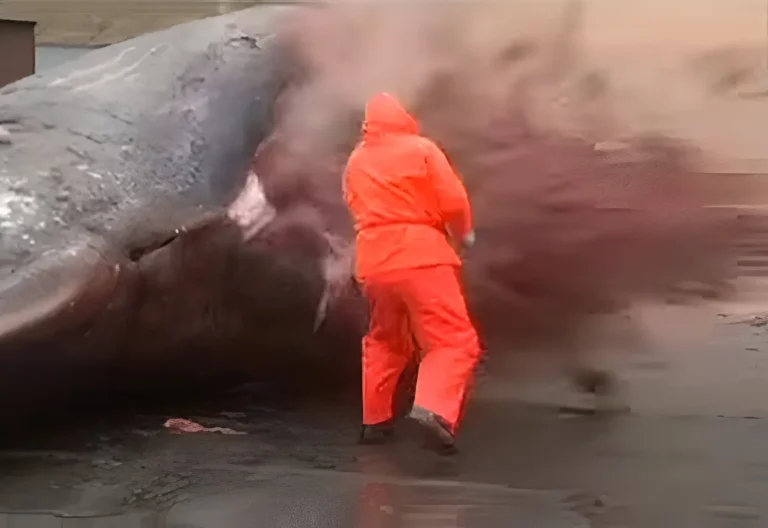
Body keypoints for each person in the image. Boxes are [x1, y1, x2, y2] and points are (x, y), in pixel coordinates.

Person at [342, 92, 483, 453]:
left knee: (385, 339)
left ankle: (375, 422)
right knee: (452, 339)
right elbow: (453, 198)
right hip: (421, 256)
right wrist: (464, 233)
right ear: (402, 117)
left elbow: (353, 203)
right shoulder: (421, 149)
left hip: (374, 263)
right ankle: (434, 410)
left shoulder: (356, 160)